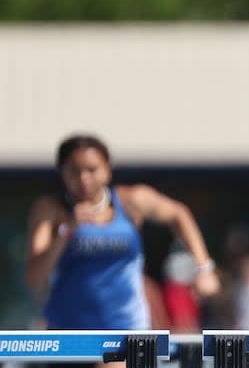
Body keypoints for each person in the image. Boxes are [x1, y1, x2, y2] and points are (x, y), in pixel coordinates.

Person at [24, 134, 220, 367]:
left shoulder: (131, 201)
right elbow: (34, 278)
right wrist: (67, 231)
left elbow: (179, 214)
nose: (84, 178)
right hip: (68, 332)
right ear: (62, 172)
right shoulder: (51, 211)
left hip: (124, 327)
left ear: (108, 169)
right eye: (74, 171)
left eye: (91, 169)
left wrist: (204, 267)